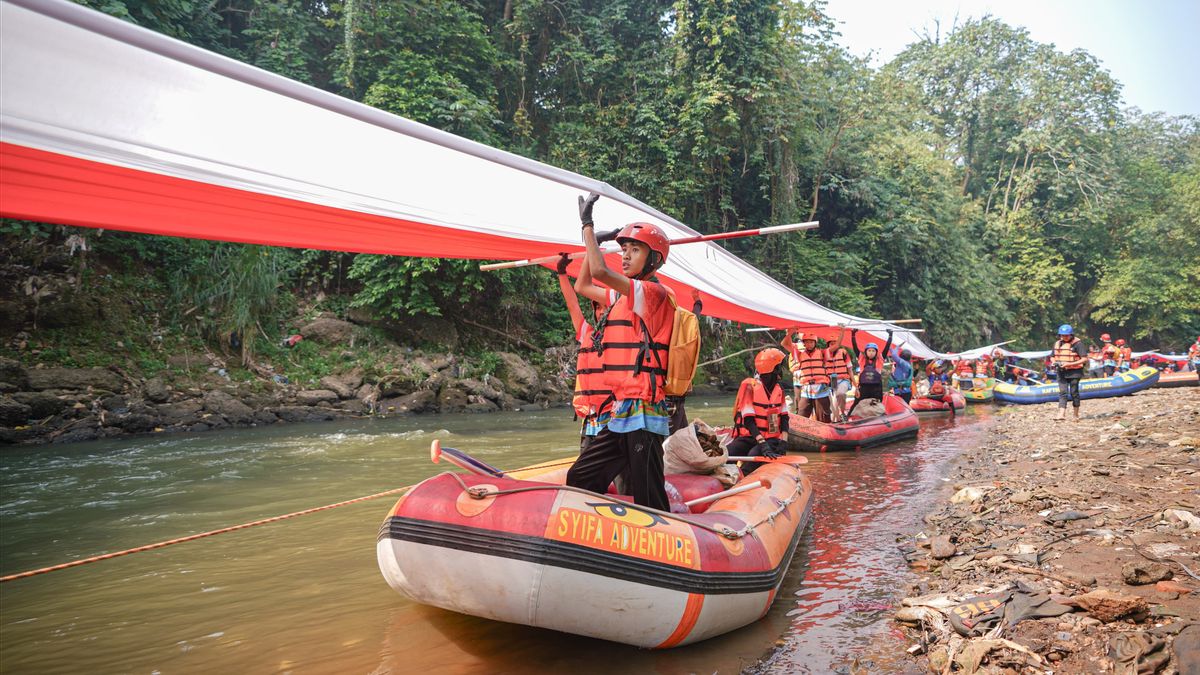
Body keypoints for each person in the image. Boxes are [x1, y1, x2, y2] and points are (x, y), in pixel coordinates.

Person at [567, 193, 673, 510]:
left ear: (653, 259)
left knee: (648, 493)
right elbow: (583, 286)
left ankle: (662, 545)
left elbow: (600, 273)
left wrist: (587, 227)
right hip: (621, 412)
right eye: (623, 249)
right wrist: (593, 248)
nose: (625, 256)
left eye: (634, 250)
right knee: (581, 477)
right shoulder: (621, 297)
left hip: (644, 412)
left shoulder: (653, 293)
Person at [555, 254, 611, 448]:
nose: (602, 312)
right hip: (590, 418)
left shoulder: (624, 334)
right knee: (583, 471)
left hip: (614, 417)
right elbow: (572, 304)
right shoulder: (586, 331)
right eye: (598, 308)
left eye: (606, 308)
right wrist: (562, 273)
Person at [727, 348, 789, 475]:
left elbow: (784, 418)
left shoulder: (779, 390)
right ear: (773, 368)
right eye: (779, 367)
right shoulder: (749, 387)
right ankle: (726, 480)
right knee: (728, 454)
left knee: (753, 456)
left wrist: (784, 441)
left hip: (771, 439)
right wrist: (762, 443)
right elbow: (748, 421)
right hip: (750, 436)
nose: (781, 370)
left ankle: (744, 478)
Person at [781, 329, 831, 422]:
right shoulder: (799, 354)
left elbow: (834, 347)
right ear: (804, 343)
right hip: (806, 389)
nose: (809, 344)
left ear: (815, 343)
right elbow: (784, 344)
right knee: (802, 412)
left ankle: (826, 430)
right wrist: (790, 332)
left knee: (824, 416)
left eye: (811, 342)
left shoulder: (822, 353)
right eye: (807, 342)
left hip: (820, 388)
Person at [847, 329, 893, 417]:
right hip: (864, 388)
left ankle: (881, 419)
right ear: (866, 351)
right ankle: (848, 417)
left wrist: (890, 336)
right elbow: (855, 347)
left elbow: (887, 347)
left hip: (876, 388)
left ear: (876, 352)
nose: (871, 353)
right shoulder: (862, 359)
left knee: (877, 404)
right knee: (856, 402)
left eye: (873, 351)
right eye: (869, 351)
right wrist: (853, 334)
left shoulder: (880, 359)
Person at [1052, 324, 1087, 421]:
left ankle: (1076, 415)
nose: (1064, 337)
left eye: (1066, 335)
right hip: (1061, 371)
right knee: (1063, 392)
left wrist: (1069, 364)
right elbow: (1052, 356)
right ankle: (1061, 414)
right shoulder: (1058, 344)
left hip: (1075, 372)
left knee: (1074, 392)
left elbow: (1084, 359)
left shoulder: (1078, 344)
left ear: (1071, 335)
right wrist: (1054, 362)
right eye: (1062, 335)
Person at [825, 329, 854, 420]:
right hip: (831, 381)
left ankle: (842, 412)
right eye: (831, 343)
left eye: (835, 343)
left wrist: (855, 385)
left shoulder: (844, 353)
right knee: (833, 399)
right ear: (828, 345)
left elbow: (850, 370)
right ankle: (836, 418)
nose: (833, 345)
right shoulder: (824, 354)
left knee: (840, 393)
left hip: (843, 379)